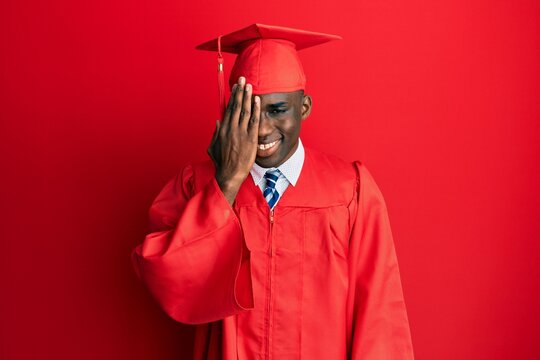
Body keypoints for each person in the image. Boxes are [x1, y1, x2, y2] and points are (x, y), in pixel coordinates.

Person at [131, 23, 414, 359]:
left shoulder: (349, 191)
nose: (262, 128)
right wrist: (227, 182)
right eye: (246, 111)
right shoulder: (200, 184)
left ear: (304, 107)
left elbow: (379, 317)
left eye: (277, 110)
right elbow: (166, 276)